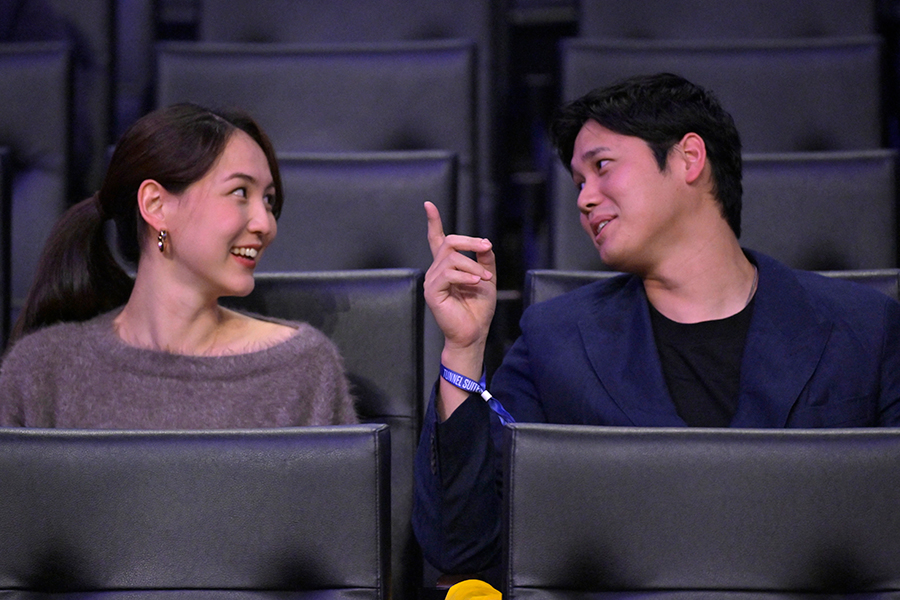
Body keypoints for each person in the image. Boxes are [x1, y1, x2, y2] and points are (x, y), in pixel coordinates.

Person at [413, 73, 900, 575]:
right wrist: (464, 350)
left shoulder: (863, 326)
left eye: (602, 167)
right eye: (580, 183)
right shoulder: (555, 339)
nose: (583, 199)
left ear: (689, 158)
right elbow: (462, 547)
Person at [0, 103, 357, 428]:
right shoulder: (41, 369)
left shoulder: (302, 368)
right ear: (156, 205)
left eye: (268, 201)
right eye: (240, 193)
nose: (265, 224)